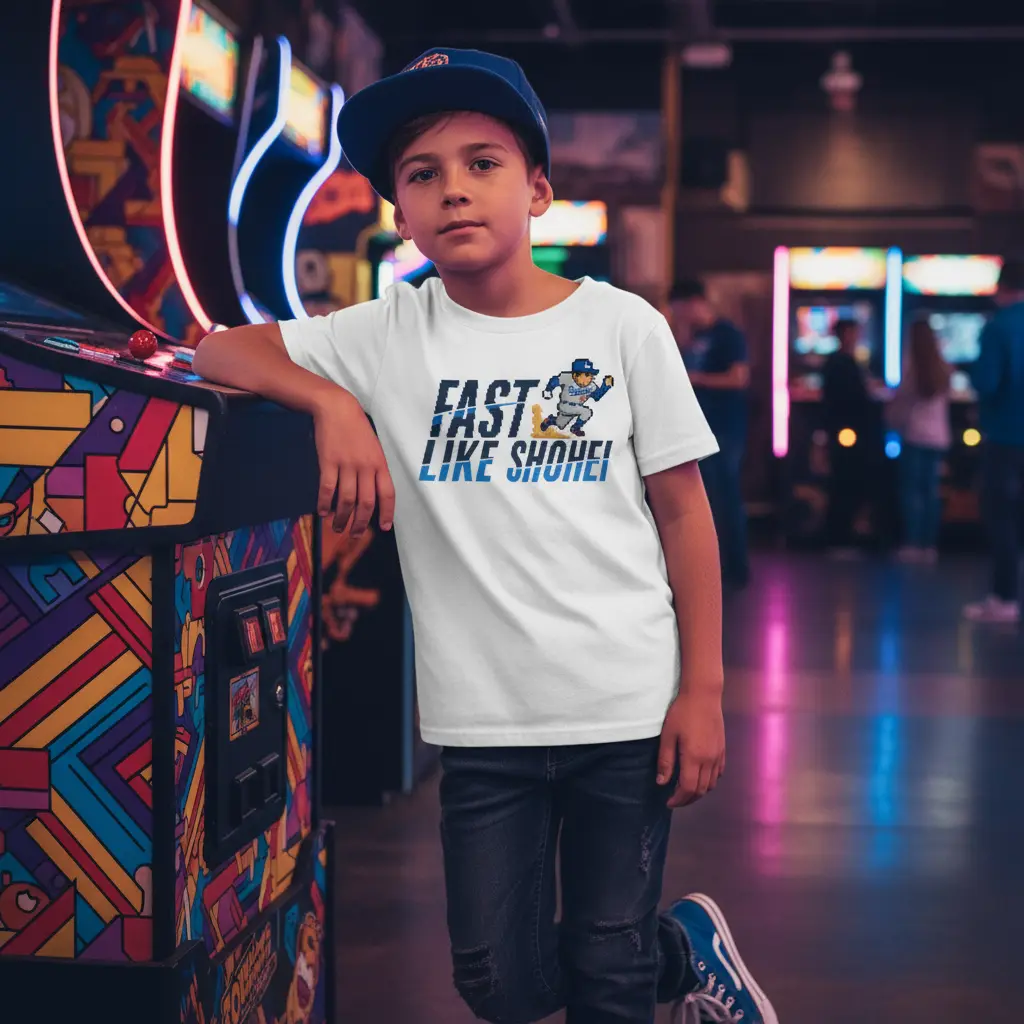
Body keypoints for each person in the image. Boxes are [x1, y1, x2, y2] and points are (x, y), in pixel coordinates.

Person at [192, 48, 776, 1024]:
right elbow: (219, 345)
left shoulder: (622, 326)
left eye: (482, 163)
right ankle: (681, 950)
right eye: (422, 175)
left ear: (538, 188)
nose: (452, 191)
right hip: (484, 725)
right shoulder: (387, 332)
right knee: (496, 982)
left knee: (605, 970)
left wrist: (704, 690)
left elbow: (687, 512)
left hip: (622, 707)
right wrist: (333, 402)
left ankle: (655, 955)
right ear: (399, 213)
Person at [669, 280, 751, 589]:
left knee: (726, 496)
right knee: (702, 499)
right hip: (697, 426)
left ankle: (735, 568)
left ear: (695, 302)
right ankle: (707, 566)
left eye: (681, 309)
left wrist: (697, 378)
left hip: (726, 426)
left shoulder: (728, 334)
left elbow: (739, 378)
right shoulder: (691, 337)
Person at [963, 256, 1024, 623]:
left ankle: (1004, 598)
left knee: (1001, 515)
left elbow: (987, 382)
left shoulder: (997, 327)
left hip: (1005, 435)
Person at [888, 319, 951, 562]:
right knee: (931, 491)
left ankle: (913, 543)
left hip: (915, 435)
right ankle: (929, 545)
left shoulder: (912, 368)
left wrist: (890, 423)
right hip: (939, 437)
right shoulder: (943, 367)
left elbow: (899, 406)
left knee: (912, 491)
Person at [821, 317, 875, 557]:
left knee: (851, 483)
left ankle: (843, 537)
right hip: (845, 433)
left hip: (850, 433)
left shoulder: (847, 361)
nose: (855, 337)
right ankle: (838, 538)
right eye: (852, 333)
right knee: (844, 483)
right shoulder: (839, 362)